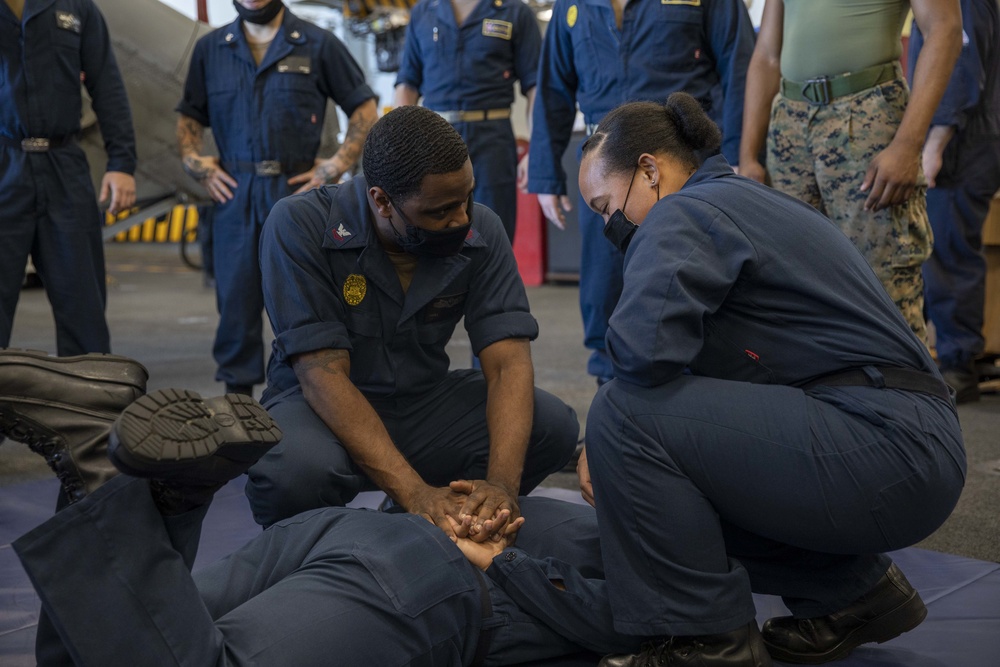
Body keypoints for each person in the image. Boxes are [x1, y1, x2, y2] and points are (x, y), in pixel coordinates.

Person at [575, 95, 966, 667]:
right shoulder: (740, 200)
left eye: (605, 206)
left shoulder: (684, 213)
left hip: (886, 441)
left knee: (622, 414)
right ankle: (853, 593)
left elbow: (641, 353)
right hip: (907, 440)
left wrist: (601, 448)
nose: (608, 227)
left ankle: (706, 643)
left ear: (651, 171)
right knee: (673, 468)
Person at [1, 349, 641, 666]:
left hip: (350, 533)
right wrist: (496, 561)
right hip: (424, 579)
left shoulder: (564, 507)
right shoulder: (674, 555)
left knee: (123, 628)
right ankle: (109, 467)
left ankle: (162, 497)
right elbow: (622, 618)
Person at [245, 105, 579, 536]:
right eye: (440, 211)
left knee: (552, 425)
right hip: (320, 408)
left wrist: (500, 485)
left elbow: (507, 364)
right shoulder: (300, 225)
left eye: (466, 199)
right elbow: (321, 375)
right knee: (295, 470)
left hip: (421, 402)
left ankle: (413, 528)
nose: (460, 218)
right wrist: (416, 492)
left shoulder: (483, 229)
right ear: (382, 200)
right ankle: (320, 549)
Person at [527, 0, 755, 385]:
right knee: (604, 288)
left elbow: (740, 63)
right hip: (604, 168)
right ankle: (611, 393)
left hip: (682, 161)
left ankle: (696, 396)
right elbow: (553, 88)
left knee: (686, 276)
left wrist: (738, 154)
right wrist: (545, 174)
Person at [176, 0, 378, 396]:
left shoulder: (318, 43)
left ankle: (312, 400)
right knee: (235, 309)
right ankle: (239, 409)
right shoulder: (211, 48)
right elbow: (189, 115)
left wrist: (334, 166)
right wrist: (196, 163)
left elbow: (364, 107)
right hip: (235, 193)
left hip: (296, 196)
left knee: (308, 304)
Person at [739, 0, 963, 342]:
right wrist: (749, 158)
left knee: (882, 289)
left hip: (865, 115)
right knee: (789, 288)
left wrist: (907, 144)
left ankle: (903, 395)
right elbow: (767, 55)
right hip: (788, 123)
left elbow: (944, 28)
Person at [1, 0, 137, 357]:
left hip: (64, 166)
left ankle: (87, 411)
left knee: (84, 312)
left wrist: (122, 162)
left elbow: (108, 85)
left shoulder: (77, 7)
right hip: (3, 163)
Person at [910, 0, 1000, 403]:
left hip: (961, 143)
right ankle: (962, 354)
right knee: (953, 247)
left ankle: (958, 364)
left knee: (947, 252)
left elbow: (960, 69)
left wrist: (934, 144)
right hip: (971, 138)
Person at [394, 0, 541, 242]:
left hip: (492, 139)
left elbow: (536, 86)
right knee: (434, 231)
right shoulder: (423, 11)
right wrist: (397, 148)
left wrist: (536, 148)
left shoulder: (515, 12)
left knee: (494, 232)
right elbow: (407, 84)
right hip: (434, 140)